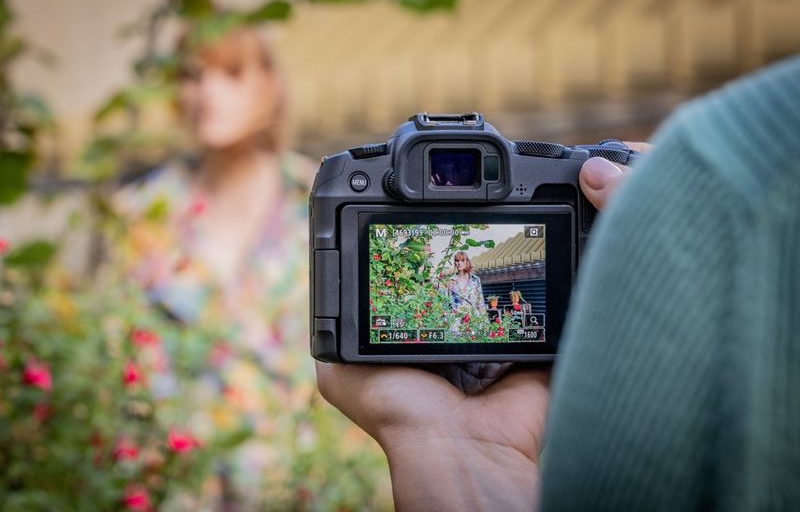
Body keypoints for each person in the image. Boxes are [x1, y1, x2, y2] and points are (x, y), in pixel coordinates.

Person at [317, 55, 800, 510]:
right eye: (462, 263)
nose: (464, 266)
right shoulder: (736, 149)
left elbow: (478, 307)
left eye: (465, 262)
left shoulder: (729, 153)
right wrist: (447, 450)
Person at [115, 27, 387, 508]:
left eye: (231, 73)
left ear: (268, 84)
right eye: (193, 75)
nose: (208, 93)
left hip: (309, 487)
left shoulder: (325, 200)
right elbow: (117, 362)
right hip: (179, 489)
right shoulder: (141, 214)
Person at [444, 251, 487, 317]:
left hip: (473, 319)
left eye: (462, 260)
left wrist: (484, 321)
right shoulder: (450, 281)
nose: (459, 263)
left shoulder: (475, 280)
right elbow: (446, 303)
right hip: (456, 321)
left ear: (467, 262)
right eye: (457, 260)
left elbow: (480, 302)